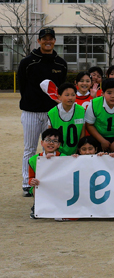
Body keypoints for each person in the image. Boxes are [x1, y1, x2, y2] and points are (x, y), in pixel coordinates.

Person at [18, 27, 67, 197]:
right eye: (44, 38)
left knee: (52, 148)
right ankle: (27, 183)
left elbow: (61, 89)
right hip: (31, 113)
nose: (48, 41)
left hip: (52, 113)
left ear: (54, 41)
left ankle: (50, 181)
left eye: (50, 38)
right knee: (30, 148)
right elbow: (23, 86)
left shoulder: (61, 63)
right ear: (38, 41)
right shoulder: (27, 62)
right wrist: (31, 101)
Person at [28, 128, 65, 220]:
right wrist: (32, 181)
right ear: (42, 143)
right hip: (43, 187)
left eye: (55, 141)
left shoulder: (64, 158)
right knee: (35, 187)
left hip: (59, 186)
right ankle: (37, 205)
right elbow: (30, 178)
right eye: (48, 140)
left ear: (59, 145)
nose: (51, 143)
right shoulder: (33, 160)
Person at [47, 82, 86, 156]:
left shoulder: (81, 110)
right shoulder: (52, 113)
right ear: (59, 97)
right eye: (67, 95)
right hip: (57, 152)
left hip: (76, 152)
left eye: (73, 95)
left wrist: (79, 150)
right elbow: (50, 134)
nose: (70, 98)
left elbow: (82, 133)